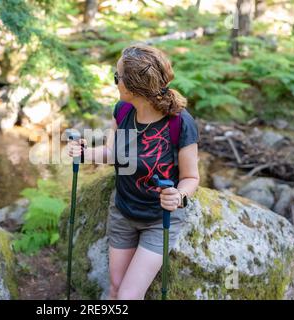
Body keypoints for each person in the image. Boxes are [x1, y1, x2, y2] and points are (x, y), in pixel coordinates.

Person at [67, 44, 200, 300]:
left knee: (128, 295)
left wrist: (178, 196)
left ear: (132, 86)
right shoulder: (123, 110)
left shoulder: (180, 122)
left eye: (117, 77)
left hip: (158, 219)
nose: (115, 82)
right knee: (116, 286)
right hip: (123, 211)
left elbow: (191, 177)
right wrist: (84, 153)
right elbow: (113, 152)